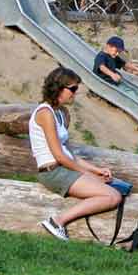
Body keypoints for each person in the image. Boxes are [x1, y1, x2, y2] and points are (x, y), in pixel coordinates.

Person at [30, 66, 123, 239]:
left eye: (76, 89)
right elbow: (58, 155)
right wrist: (87, 173)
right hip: (53, 172)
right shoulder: (45, 113)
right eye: (72, 89)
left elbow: (69, 153)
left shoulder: (61, 113)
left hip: (62, 169)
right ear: (58, 88)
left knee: (111, 185)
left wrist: (96, 170)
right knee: (113, 196)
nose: (75, 93)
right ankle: (57, 221)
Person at [92, 35, 138, 101]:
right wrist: (112, 75)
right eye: (116, 51)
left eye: (119, 52)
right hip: (105, 83)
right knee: (127, 92)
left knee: (129, 89)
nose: (117, 54)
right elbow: (102, 67)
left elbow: (125, 64)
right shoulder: (101, 56)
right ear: (108, 46)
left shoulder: (113, 57)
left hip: (114, 82)